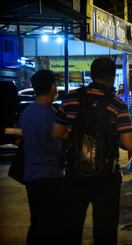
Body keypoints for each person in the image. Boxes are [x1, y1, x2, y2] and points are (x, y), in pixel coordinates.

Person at [52, 57, 132, 245]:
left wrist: (76, 135)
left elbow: (56, 132)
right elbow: (129, 144)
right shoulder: (117, 104)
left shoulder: (71, 98)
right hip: (106, 178)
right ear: (113, 78)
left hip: (74, 176)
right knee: (105, 232)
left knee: (70, 229)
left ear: (91, 75)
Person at [17, 70, 67, 244]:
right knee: (54, 225)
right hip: (51, 175)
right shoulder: (54, 115)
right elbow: (62, 144)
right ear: (53, 87)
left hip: (31, 175)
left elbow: (20, 140)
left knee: (37, 222)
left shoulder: (27, 113)